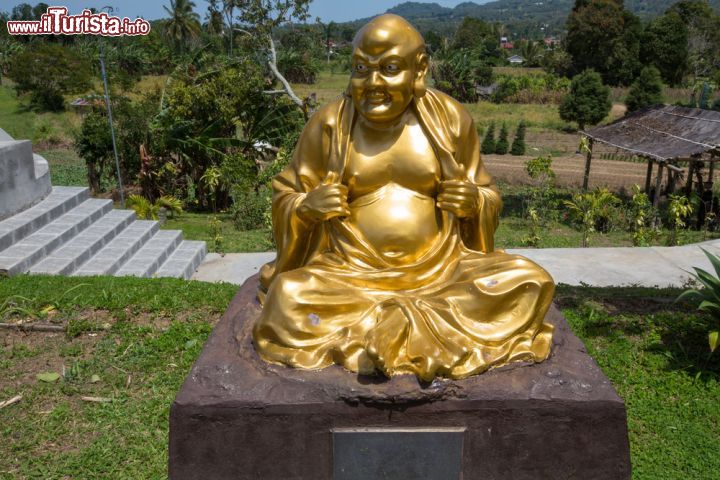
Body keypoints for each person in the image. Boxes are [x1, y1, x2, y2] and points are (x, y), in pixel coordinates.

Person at [252, 14, 555, 381]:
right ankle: (400, 326)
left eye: (389, 68)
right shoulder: (330, 124)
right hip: (350, 274)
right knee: (289, 295)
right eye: (361, 68)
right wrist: (306, 207)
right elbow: (287, 193)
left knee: (529, 280)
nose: (372, 83)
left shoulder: (451, 120)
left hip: (443, 271)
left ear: (420, 69)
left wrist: (474, 203)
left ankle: (391, 325)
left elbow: (486, 193)